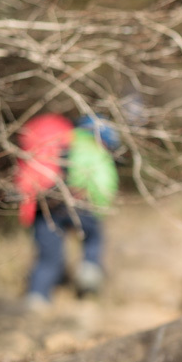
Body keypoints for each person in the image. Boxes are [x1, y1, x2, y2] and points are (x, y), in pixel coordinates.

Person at [16, 113, 120, 304]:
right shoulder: (96, 150)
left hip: (48, 204)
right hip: (82, 203)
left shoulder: (63, 140)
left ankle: (37, 298)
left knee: (47, 258)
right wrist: (100, 207)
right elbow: (104, 183)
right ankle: (88, 271)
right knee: (94, 238)